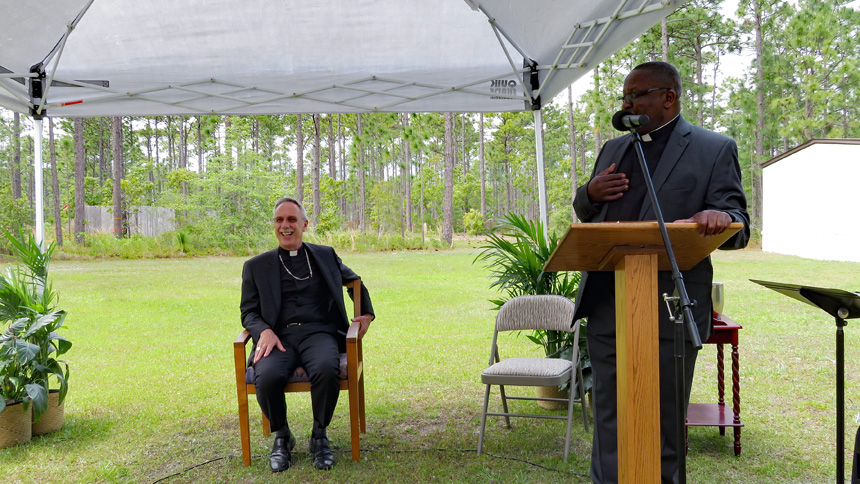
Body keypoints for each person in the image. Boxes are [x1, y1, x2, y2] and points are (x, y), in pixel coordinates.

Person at [572, 61, 750, 484]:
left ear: (668, 97)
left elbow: (739, 222)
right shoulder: (614, 149)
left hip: (669, 306)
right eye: (625, 96)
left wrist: (719, 216)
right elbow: (587, 212)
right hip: (609, 302)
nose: (627, 103)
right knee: (609, 415)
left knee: (664, 417)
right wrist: (589, 193)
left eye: (636, 95)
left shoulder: (713, 148)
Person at [240, 196, 374, 473]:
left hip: (319, 333)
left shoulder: (324, 255)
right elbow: (248, 312)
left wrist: (367, 314)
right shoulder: (255, 266)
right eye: (279, 220)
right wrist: (263, 331)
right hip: (278, 337)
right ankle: (283, 436)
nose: (285, 226)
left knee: (327, 369)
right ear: (274, 225)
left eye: (292, 220)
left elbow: (355, 282)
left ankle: (319, 435)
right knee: (266, 376)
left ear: (304, 224)